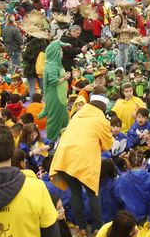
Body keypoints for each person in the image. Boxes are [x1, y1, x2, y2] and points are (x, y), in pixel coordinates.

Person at [49, 96, 114, 236]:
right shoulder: (101, 120)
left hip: (64, 159)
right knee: (93, 193)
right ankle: (97, 228)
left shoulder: (77, 115)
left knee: (75, 193)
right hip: (84, 161)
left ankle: (81, 227)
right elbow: (108, 145)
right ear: (103, 108)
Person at [40, 40, 70, 140]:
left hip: (60, 97)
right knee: (55, 119)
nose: (62, 52)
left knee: (63, 118)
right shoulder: (51, 66)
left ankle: (65, 136)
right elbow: (53, 82)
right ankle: (51, 140)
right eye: (61, 50)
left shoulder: (56, 64)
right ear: (55, 52)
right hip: (55, 97)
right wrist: (65, 78)